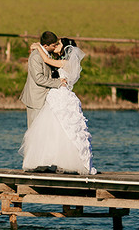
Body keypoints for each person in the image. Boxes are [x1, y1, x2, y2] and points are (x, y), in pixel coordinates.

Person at [20, 38, 97, 175]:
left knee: (61, 129)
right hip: (58, 96)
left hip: (60, 96)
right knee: (56, 130)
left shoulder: (65, 62)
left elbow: (47, 61)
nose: (56, 45)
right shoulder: (64, 61)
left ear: (66, 48)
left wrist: (39, 47)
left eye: (59, 43)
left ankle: (59, 161)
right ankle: (54, 160)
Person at [20, 31, 66, 127]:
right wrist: (58, 82)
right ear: (45, 46)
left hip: (45, 98)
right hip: (36, 99)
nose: (55, 47)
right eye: (54, 45)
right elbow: (38, 78)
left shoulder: (48, 54)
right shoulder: (36, 57)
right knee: (34, 129)